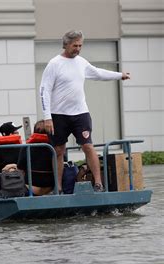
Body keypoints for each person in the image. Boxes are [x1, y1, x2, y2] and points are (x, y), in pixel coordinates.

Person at [40, 30, 131, 192]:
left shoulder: (81, 62)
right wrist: (47, 117)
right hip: (58, 115)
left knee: (88, 146)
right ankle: (58, 187)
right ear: (66, 44)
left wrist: (119, 75)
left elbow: (97, 73)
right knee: (59, 150)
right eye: (75, 45)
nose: (78, 49)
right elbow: (44, 90)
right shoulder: (54, 64)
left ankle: (98, 183)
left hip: (80, 113)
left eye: (80, 45)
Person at [17, 120, 54, 196]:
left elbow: (20, 170)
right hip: (50, 188)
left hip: (30, 188)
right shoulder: (55, 148)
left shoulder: (26, 148)